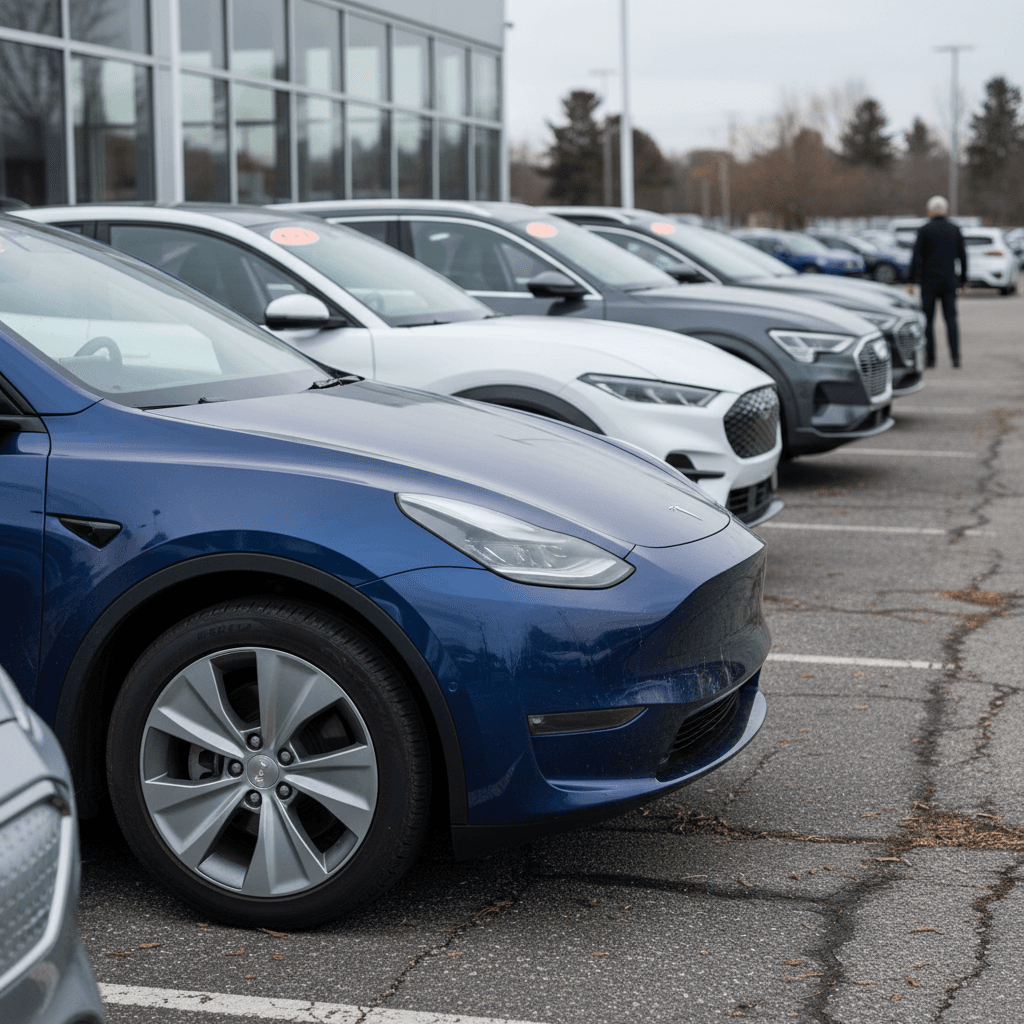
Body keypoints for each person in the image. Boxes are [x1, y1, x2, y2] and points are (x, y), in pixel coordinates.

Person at [908, 195, 967, 368]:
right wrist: (963, 280)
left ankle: (931, 359)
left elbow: (916, 257)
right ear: (946, 210)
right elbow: (963, 257)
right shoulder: (954, 230)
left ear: (930, 211)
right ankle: (956, 358)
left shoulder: (925, 230)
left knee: (928, 321)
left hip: (929, 282)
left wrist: (911, 280)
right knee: (951, 319)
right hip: (949, 281)